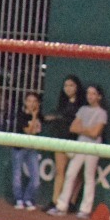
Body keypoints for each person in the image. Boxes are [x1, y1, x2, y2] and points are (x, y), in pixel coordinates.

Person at [50, 83, 107, 217]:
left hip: (93, 147)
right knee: (70, 173)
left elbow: (95, 133)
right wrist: (88, 130)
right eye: (88, 93)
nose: (90, 96)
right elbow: (73, 128)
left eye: (93, 94)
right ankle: (61, 206)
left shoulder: (102, 113)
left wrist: (83, 129)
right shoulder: (82, 109)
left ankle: (85, 210)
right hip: (80, 145)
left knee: (89, 176)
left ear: (99, 96)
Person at [43, 75, 83, 209]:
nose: (68, 88)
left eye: (71, 85)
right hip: (61, 140)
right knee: (60, 171)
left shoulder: (82, 106)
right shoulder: (62, 104)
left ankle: (72, 202)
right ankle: (55, 201)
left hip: (77, 141)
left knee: (76, 174)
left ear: (77, 87)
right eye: (66, 85)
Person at [10, 90, 44, 210]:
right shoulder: (21, 115)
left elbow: (45, 120)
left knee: (36, 179)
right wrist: (34, 116)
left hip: (32, 149)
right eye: (29, 101)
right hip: (19, 149)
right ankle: (18, 199)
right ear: (25, 102)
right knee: (17, 175)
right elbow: (28, 131)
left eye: (34, 101)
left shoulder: (40, 116)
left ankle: (28, 199)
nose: (31, 103)